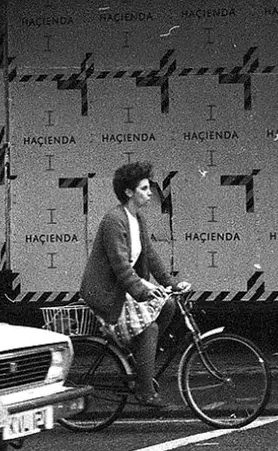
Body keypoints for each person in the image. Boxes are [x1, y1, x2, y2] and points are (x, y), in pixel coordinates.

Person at [80, 161, 177, 406]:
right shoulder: (114, 220)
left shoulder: (137, 219)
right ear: (129, 192)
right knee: (150, 329)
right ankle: (145, 390)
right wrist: (143, 290)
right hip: (107, 295)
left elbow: (151, 255)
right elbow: (120, 265)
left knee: (169, 305)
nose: (149, 193)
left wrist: (169, 284)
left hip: (124, 291)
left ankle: (138, 356)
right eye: (144, 188)